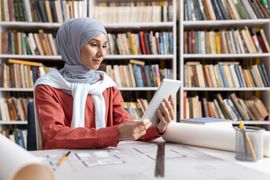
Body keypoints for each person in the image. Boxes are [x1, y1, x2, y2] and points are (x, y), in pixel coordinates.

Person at [34, 17, 175, 149]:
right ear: (73, 46)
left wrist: (157, 127)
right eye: (94, 45)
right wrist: (116, 133)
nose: (102, 54)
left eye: (105, 45)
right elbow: (55, 136)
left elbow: (125, 125)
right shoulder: (48, 87)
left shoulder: (107, 86)